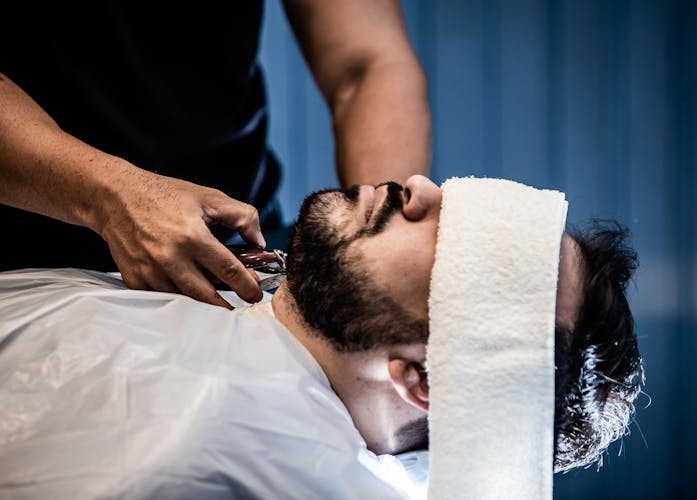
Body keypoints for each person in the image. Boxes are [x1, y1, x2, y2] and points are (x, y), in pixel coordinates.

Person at [0, 175, 644, 498]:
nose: (416, 186)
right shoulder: (275, 317)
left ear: (421, 379)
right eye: (454, 197)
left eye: (463, 246)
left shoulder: (197, 457)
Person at [0, 0, 430, 309]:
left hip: (239, 244)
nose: (424, 191)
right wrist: (109, 196)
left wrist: (376, 239)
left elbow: (366, 63)